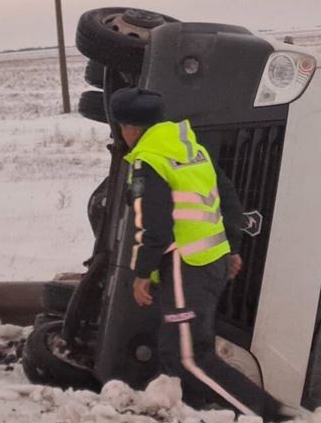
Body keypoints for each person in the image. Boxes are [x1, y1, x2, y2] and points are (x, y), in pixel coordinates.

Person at [110, 87, 283, 420]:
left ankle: (270, 416)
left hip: (183, 265)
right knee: (177, 352)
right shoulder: (190, 149)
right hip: (209, 264)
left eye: (121, 127)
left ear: (129, 128)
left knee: (189, 356)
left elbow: (154, 227)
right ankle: (199, 412)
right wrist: (231, 248)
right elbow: (228, 196)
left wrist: (141, 273)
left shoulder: (150, 160)